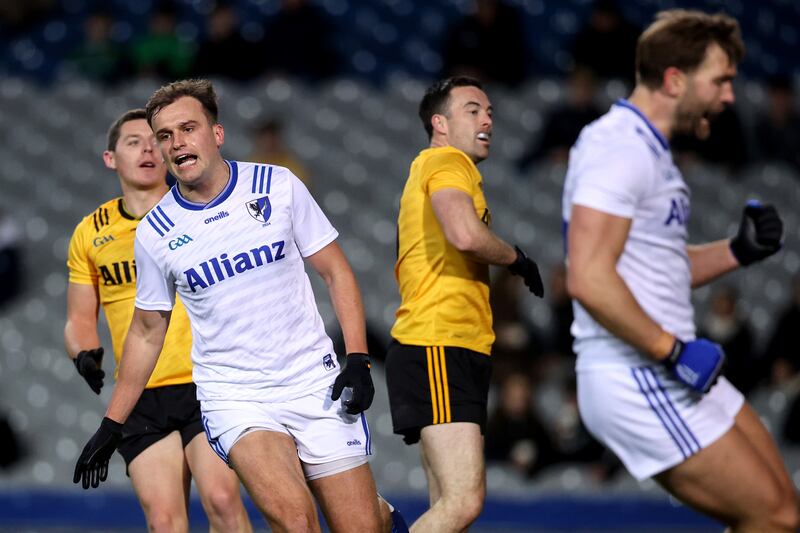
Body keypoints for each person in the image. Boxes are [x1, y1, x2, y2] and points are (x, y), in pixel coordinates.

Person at [72, 80, 406, 533]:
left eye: (187, 128)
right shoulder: (156, 231)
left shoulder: (278, 185)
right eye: (165, 135)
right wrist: (113, 422)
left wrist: (360, 359)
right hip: (236, 397)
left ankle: (382, 516)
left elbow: (336, 272)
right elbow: (148, 331)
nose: (176, 143)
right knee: (295, 521)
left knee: (363, 527)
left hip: (313, 381)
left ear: (217, 133)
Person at [562, 10, 798, 531]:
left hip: (664, 365)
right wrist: (670, 349)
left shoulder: (647, 149)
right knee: (775, 516)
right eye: (721, 81)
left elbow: (654, 268)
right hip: (637, 372)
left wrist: (737, 250)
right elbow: (589, 277)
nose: (731, 96)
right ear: (674, 80)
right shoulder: (620, 148)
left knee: (784, 509)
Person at [65, 109, 252, 532]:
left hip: (206, 379)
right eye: (133, 142)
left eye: (154, 140)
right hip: (140, 392)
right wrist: (83, 354)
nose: (148, 148)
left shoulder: (200, 211)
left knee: (223, 500)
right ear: (110, 158)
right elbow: (78, 319)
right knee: (165, 521)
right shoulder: (90, 233)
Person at [385, 76, 544, 533]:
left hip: (445, 344)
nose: (488, 119)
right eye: (473, 110)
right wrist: (517, 259)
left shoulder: (432, 166)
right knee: (464, 501)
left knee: (448, 506)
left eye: (490, 111)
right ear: (440, 123)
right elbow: (465, 234)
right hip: (439, 340)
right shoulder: (447, 160)